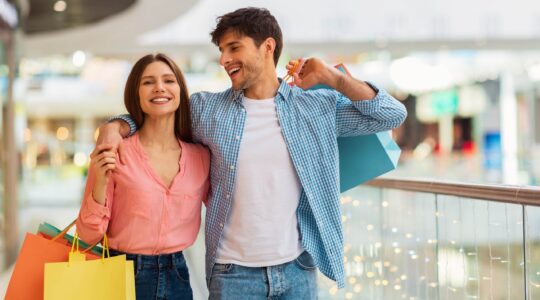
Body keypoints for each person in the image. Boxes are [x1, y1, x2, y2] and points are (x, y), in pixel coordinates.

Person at [97, 7, 407, 299]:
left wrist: (333, 78)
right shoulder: (208, 110)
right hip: (233, 275)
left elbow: (391, 115)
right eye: (221, 51)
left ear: (267, 47)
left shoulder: (315, 107)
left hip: (298, 269)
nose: (224, 59)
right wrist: (116, 126)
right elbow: (157, 116)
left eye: (234, 48)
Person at [76, 53, 210, 300]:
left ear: (180, 89)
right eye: (148, 82)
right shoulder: (115, 150)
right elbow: (87, 234)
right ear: (136, 93)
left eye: (169, 80)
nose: (159, 87)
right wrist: (101, 181)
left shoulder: (200, 157)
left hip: (178, 275)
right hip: (121, 273)